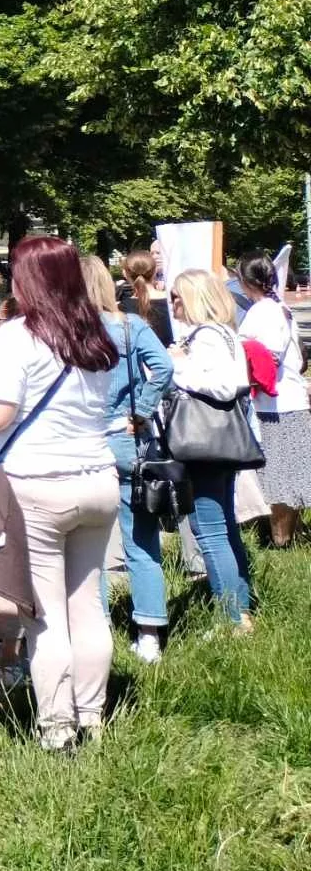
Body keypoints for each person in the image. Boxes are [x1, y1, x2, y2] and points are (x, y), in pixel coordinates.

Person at [0, 236, 120, 751]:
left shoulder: (18, 336)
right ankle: (94, 717)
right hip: (99, 479)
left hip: (38, 484)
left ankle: (57, 728)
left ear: (27, 279)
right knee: (87, 606)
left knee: (45, 616)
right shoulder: (96, 333)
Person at [77, 255, 176, 660]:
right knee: (142, 542)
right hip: (127, 441)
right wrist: (142, 409)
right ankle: (149, 631)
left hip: (84, 444)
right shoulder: (131, 327)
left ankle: (94, 625)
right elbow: (165, 368)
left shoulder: (70, 334)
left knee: (88, 549)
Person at [169, 269, 259, 632]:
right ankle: (243, 607)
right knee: (225, 528)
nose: (171, 302)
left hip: (206, 443)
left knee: (209, 531)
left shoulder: (205, 337)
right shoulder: (226, 333)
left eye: (176, 296)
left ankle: (231, 618)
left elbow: (224, 386)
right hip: (225, 442)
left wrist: (177, 369)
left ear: (193, 298)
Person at [237, 252, 309, 548]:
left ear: (245, 280)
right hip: (285, 401)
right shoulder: (275, 307)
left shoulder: (263, 312)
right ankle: (290, 537)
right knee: (288, 476)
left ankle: (281, 542)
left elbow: (267, 357)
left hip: (276, 406)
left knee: (281, 480)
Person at [122, 248, 174, 350]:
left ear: (126, 274)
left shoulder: (122, 309)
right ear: (155, 271)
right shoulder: (173, 302)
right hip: (173, 360)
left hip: (140, 364)